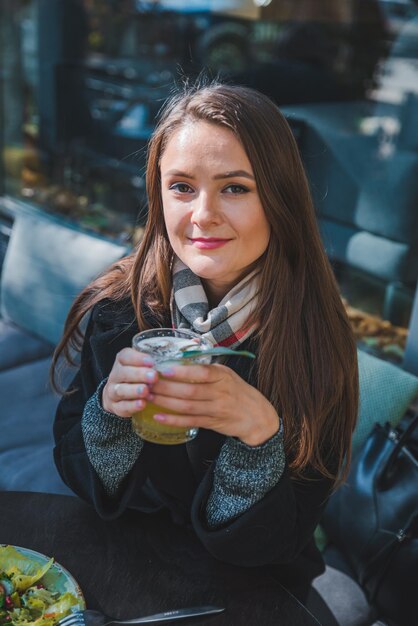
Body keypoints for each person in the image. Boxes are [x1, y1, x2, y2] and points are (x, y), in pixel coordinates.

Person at [52, 81, 359, 605]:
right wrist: (108, 415)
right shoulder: (121, 306)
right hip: (132, 556)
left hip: (258, 586)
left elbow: (281, 538)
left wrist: (259, 440)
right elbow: (78, 472)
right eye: (182, 187)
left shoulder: (314, 336)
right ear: (158, 194)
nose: (202, 215)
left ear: (279, 198)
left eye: (235, 188)